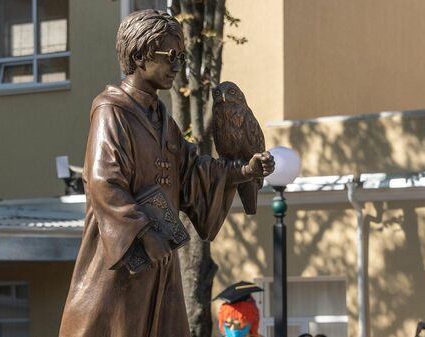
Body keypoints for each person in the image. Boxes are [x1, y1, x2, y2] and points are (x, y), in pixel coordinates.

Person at [58, 9, 275, 337]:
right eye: (171, 55)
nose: (178, 64)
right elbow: (105, 183)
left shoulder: (164, 122)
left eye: (183, 56)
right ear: (140, 55)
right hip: (124, 262)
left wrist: (245, 170)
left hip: (159, 259)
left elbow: (194, 174)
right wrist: (144, 233)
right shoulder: (111, 113)